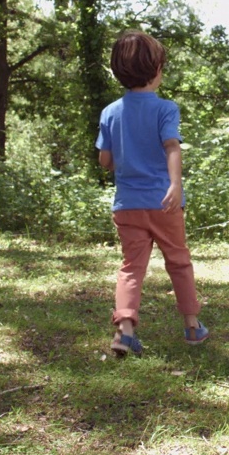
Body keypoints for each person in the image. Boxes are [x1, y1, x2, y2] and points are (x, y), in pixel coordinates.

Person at [96, 30, 209, 356]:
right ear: (155, 69)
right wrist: (175, 184)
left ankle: (125, 331)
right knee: (178, 261)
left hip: (127, 204)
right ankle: (192, 326)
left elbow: (106, 161)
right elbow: (171, 147)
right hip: (164, 203)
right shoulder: (165, 109)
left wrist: (125, 150)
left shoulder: (110, 112)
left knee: (131, 266)